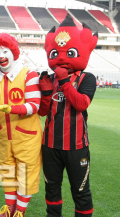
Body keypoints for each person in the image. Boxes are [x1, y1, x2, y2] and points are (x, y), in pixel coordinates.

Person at [38, 14, 97, 217]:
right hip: (50, 146)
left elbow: (81, 104)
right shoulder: (50, 78)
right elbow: (43, 112)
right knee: (52, 190)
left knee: (80, 191)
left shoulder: (87, 78)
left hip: (76, 147)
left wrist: (64, 82)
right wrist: (45, 94)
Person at [0, 33, 42, 217]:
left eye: (5, 51)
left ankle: (19, 213)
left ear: (13, 52)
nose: (1, 55)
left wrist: (11, 108)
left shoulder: (29, 74)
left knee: (26, 174)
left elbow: (34, 105)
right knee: (7, 173)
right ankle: (9, 211)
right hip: (3, 136)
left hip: (27, 136)